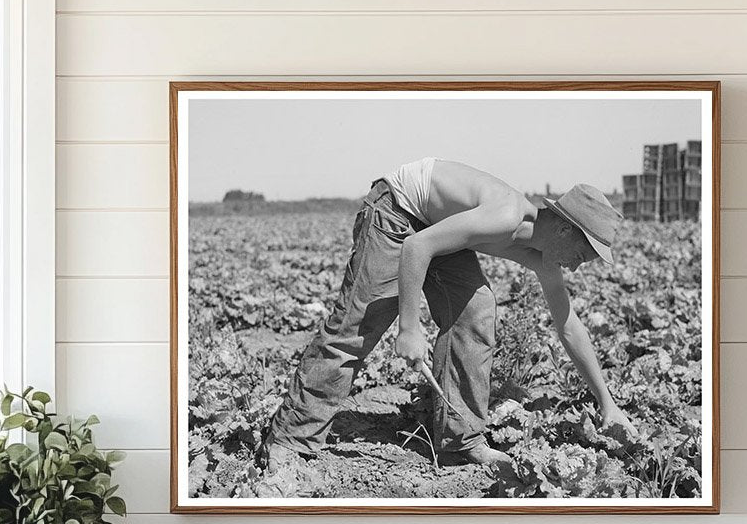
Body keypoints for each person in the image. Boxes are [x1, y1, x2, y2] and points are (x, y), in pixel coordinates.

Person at [259, 158, 638, 471]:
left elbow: (568, 326)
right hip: (398, 211)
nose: (575, 267)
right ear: (564, 228)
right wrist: (409, 328)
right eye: (581, 255)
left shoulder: (543, 256)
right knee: (358, 326)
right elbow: (416, 247)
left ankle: (461, 439)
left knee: (476, 311)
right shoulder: (506, 215)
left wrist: (607, 403)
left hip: (433, 227)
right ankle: (291, 438)